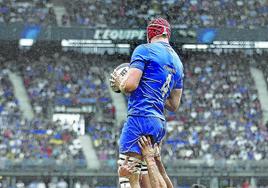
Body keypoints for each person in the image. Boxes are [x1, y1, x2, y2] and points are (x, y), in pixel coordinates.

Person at [111, 17, 184, 188]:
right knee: (143, 175)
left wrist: (120, 82)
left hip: (140, 118)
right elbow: (174, 104)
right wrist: (154, 92)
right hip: (158, 123)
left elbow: (129, 86)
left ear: (150, 34)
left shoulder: (145, 50)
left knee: (126, 175)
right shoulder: (178, 63)